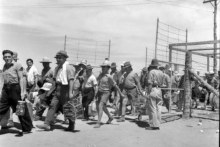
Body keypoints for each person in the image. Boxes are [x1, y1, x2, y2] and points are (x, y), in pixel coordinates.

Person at [36, 50, 76, 131]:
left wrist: (70, 93)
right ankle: (46, 124)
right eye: (57, 58)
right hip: (57, 89)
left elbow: (71, 80)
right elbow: (54, 80)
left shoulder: (68, 68)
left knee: (68, 108)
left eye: (60, 58)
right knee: (52, 106)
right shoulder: (57, 68)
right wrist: (49, 91)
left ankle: (71, 125)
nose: (58, 59)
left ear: (65, 58)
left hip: (65, 89)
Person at [0, 50, 33, 136]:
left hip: (15, 88)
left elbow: (21, 78)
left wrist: (22, 92)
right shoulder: (4, 66)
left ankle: (27, 128)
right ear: (3, 58)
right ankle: (4, 124)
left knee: (20, 108)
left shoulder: (17, 65)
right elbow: (3, 80)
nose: (7, 58)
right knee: (1, 107)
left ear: (12, 57)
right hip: (6, 89)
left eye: (9, 57)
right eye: (5, 57)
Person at [94, 60, 124, 128]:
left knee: (100, 105)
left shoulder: (109, 77)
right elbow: (98, 83)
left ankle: (98, 122)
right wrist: (96, 93)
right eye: (102, 67)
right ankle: (110, 117)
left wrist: (120, 94)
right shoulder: (101, 75)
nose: (103, 68)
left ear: (108, 68)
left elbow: (115, 85)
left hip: (106, 93)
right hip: (100, 92)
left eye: (104, 67)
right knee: (103, 107)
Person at [145, 59, 164, 130]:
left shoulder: (151, 72)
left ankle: (153, 125)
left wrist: (149, 92)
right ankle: (158, 124)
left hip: (153, 89)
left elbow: (150, 83)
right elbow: (162, 83)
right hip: (159, 90)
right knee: (159, 107)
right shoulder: (161, 72)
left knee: (152, 108)